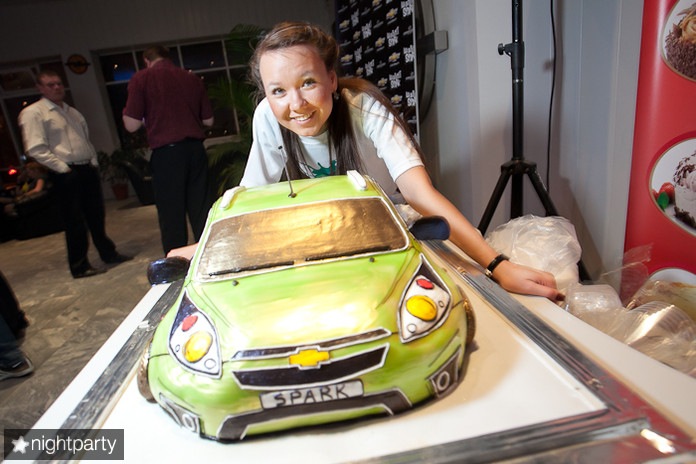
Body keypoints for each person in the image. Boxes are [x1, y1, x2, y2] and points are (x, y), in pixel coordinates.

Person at [171, 22, 561, 301]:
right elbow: (250, 197)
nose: (296, 104)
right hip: (318, 233)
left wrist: (498, 266)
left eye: (308, 83)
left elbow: (420, 195)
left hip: (387, 229)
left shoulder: (365, 109)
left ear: (331, 79)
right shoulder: (267, 118)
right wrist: (207, 245)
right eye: (278, 91)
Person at [18, 70, 131, 279]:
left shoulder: (71, 112)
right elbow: (35, 148)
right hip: (65, 172)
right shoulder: (35, 113)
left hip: (85, 167)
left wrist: (93, 161)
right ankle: (79, 265)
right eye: (50, 84)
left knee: (96, 215)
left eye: (59, 83)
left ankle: (108, 253)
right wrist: (62, 168)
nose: (56, 87)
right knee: (75, 220)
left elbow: (84, 140)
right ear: (40, 88)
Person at [122, 45, 215, 255]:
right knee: (201, 209)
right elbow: (209, 120)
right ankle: (207, 258)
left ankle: (177, 264)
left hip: (167, 154)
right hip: (195, 150)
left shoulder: (142, 78)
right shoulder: (191, 78)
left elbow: (131, 125)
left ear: (146, 60)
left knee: (171, 214)